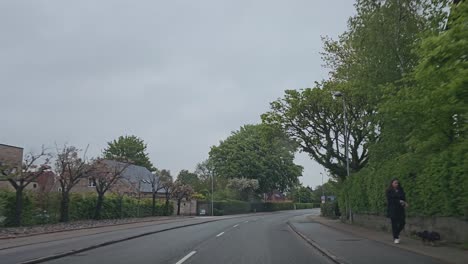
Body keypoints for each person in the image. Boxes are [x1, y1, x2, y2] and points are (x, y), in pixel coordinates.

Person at [386, 178, 408, 244]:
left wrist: (405, 203)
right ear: (392, 183)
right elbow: (390, 200)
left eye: (397, 183)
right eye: (395, 183)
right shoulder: (389, 191)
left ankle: (396, 233)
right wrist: (399, 201)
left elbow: (403, 198)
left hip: (400, 209)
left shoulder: (401, 190)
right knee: (394, 224)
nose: (396, 184)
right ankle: (396, 237)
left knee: (403, 222)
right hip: (393, 209)